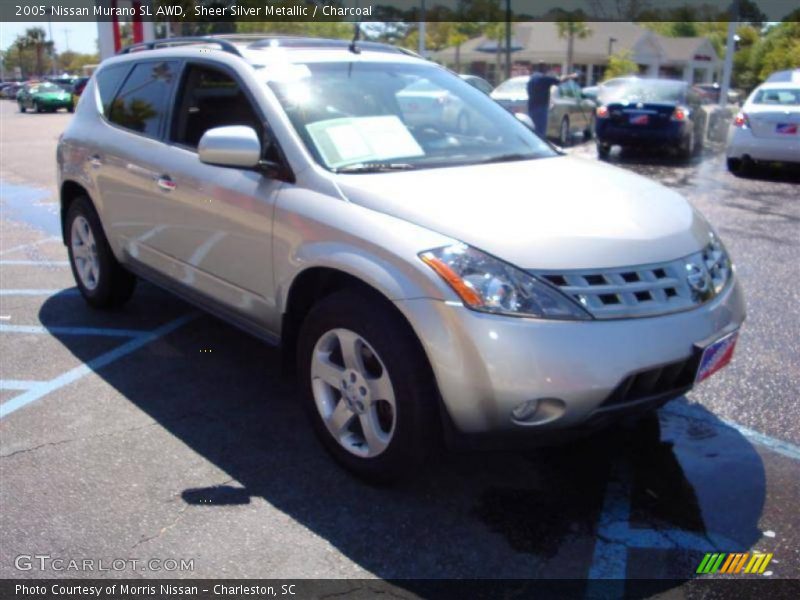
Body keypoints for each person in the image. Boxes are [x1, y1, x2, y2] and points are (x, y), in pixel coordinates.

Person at [526, 63, 578, 137]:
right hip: (541, 107)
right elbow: (559, 80)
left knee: (531, 128)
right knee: (540, 130)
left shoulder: (531, 80)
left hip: (531, 107)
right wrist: (571, 76)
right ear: (544, 70)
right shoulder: (544, 79)